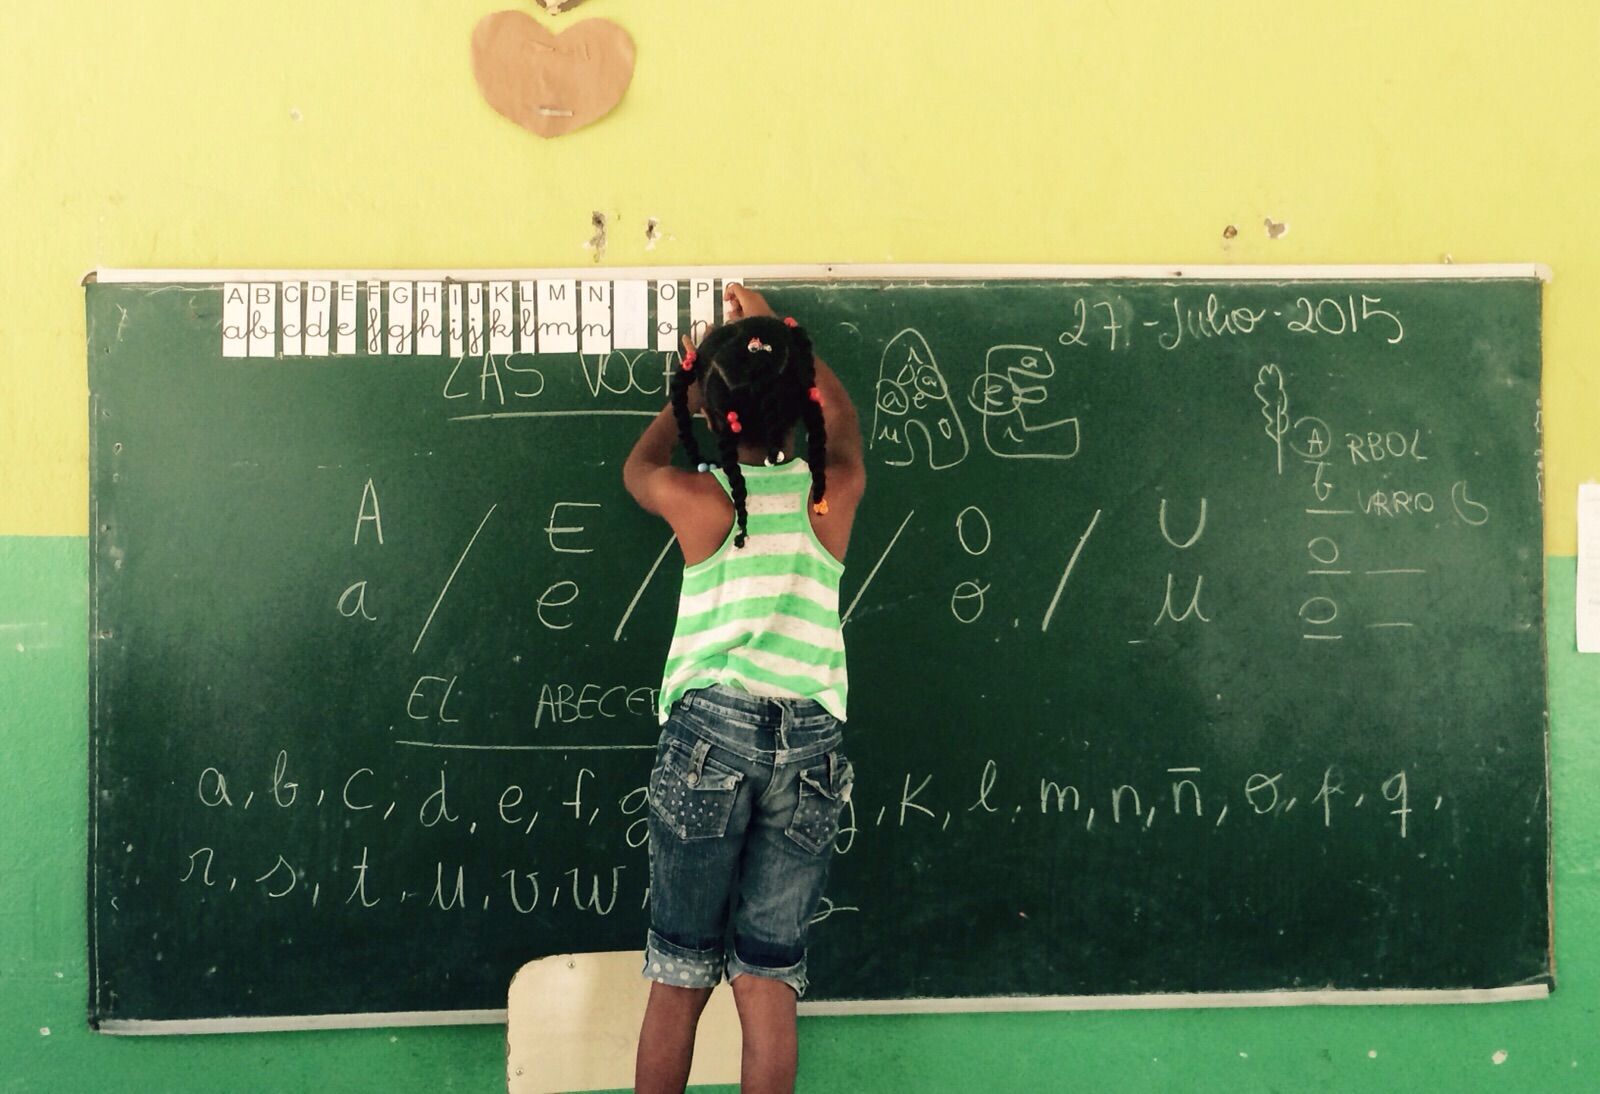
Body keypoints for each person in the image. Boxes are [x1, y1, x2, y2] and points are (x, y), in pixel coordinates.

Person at [623, 283, 866, 1094]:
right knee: (768, 977)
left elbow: (640, 468)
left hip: (710, 741)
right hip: (811, 751)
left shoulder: (705, 503)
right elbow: (848, 427)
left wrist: (685, 388)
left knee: (680, 972)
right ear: (800, 406)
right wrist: (785, 342)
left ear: (717, 407)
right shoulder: (829, 496)